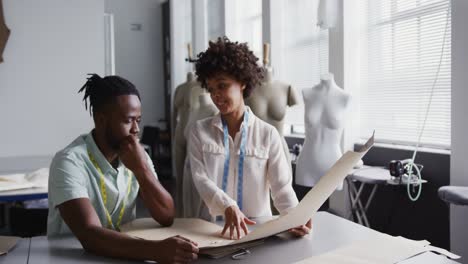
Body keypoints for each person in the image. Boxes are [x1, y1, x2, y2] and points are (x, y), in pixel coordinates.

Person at [47, 74, 198, 263]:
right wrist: (155, 251)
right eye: (128, 120)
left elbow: (166, 215)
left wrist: (142, 170)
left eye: (139, 120)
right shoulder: (69, 162)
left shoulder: (136, 156)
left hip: (124, 255)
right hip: (75, 259)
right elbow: (89, 235)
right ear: (101, 120)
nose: (136, 129)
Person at [188, 37, 312, 240]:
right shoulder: (199, 131)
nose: (216, 95)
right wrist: (227, 205)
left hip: (257, 234)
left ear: (243, 82)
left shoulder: (268, 134)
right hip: (210, 233)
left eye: (222, 85)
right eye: (211, 89)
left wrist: (295, 217)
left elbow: (281, 188)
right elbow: (201, 180)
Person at [295, 73, 350, 199]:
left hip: (333, 163)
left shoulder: (344, 97)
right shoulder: (307, 93)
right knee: (307, 210)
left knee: (324, 213)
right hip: (307, 163)